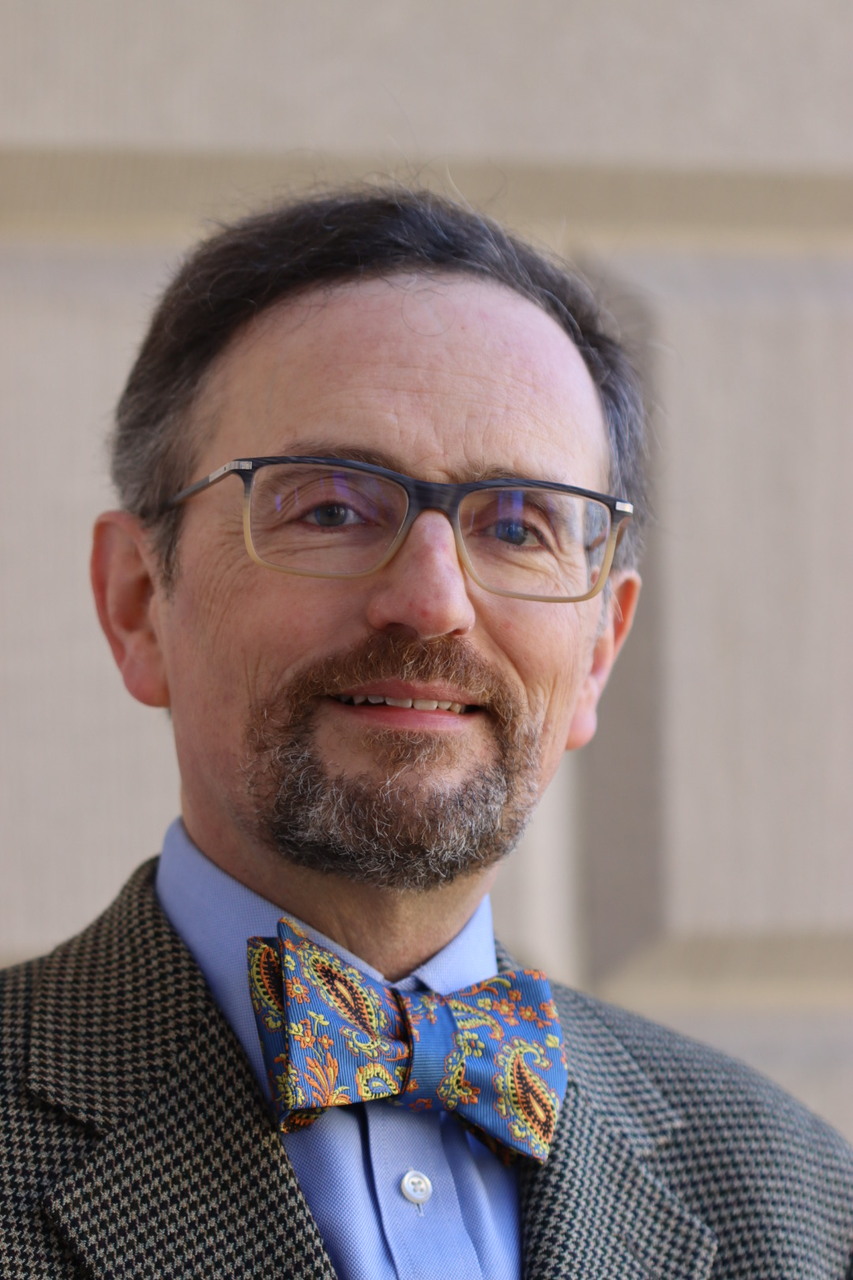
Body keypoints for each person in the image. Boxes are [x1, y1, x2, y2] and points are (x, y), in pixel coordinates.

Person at [1, 188, 851, 1280]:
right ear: (136, 601)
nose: (432, 600)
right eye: (330, 507)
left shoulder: (800, 1199)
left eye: (516, 524)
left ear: (596, 649)